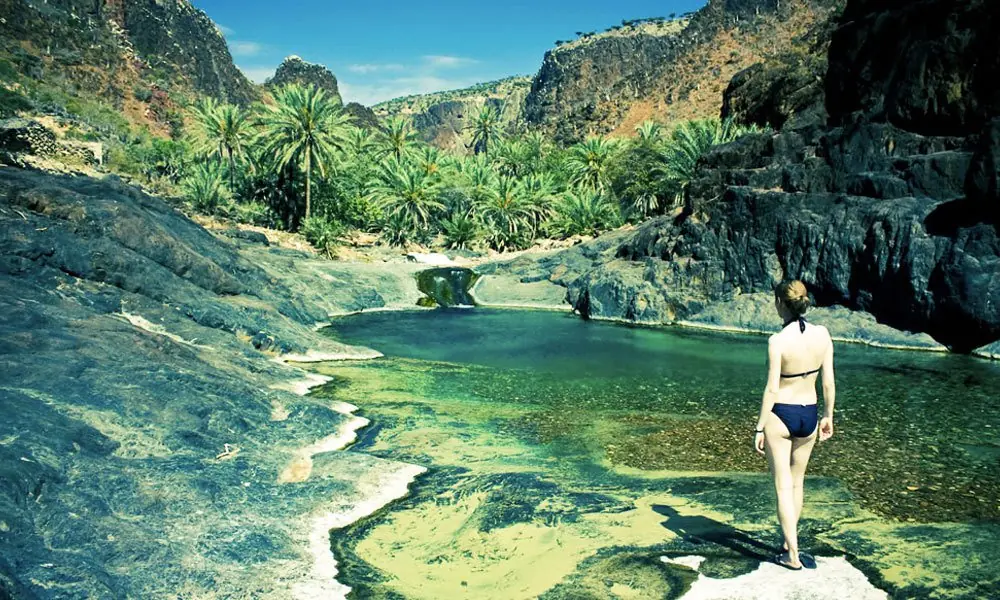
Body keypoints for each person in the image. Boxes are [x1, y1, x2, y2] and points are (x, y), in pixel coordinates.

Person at [753, 279, 835, 570]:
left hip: (782, 414)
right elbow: (828, 381)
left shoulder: (777, 342)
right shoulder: (823, 334)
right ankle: (788, 543)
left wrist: (760, 427)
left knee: (782, 485)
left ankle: (793, 555)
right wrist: (829, 416)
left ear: (780, 303)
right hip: (809, 414)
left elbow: (772, 389)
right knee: (797, 482)